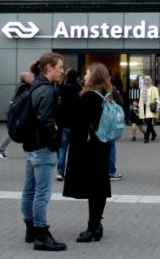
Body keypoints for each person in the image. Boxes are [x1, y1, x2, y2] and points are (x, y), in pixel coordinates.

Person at [63, 62, 114, 243]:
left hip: (88, 147)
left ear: (94, 76)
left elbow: (76, 121)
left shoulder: (88, 97)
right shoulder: (105, 95)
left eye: (87, 73)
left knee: (94, 188)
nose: (84, 76)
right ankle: (96, 225)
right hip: (102, 146)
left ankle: (92, 228)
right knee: (98, 187)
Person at [21, 53, 66, 252]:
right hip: (43, 148)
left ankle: (30, 229)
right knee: (42, 193)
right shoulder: (47, 90)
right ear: (48, 67)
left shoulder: (35, 86)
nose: (62, 70)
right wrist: (55, 141)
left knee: (29, 190)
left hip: (32, 146)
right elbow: (46, 121)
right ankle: (41, 234)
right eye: (60, 67)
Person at [0, 71, 34, 159]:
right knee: (13, 133)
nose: (32, 78)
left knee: (18, 133)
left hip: (20, 114)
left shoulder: (25, 86)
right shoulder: (23, 87)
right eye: (30, 76)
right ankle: (0, 149)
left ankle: (30, 151)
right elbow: (19, 101)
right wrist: (19, 116)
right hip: (19, 114)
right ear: (25, 78)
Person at [56, 69, 82, 180]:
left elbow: (58, 105)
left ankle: (60, 172)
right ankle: (73, 173)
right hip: (75, 124)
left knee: (62, 149)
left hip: (64, 123)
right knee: (75, 149)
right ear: (76, 78)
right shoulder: (78, 89)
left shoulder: (62, 88)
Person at [108, 84, 125, 180]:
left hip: (101, 126)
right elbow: (121, 103)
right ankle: (110, 171)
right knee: (111, 147)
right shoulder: (112, 89)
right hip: (111, 126)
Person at [138, 76, 160, 143]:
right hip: (143, 107)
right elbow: (140, 99)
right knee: (148, 123)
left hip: (151, 107)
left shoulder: (154, 88)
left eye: (148, 80)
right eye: (145, 80)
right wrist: (139, 107)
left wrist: (158, 106)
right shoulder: (142, 89)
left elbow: (157, 98)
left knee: (149, 122)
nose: (146, 81)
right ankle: (154, 134)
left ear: (150, 81)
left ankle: (146, 137)